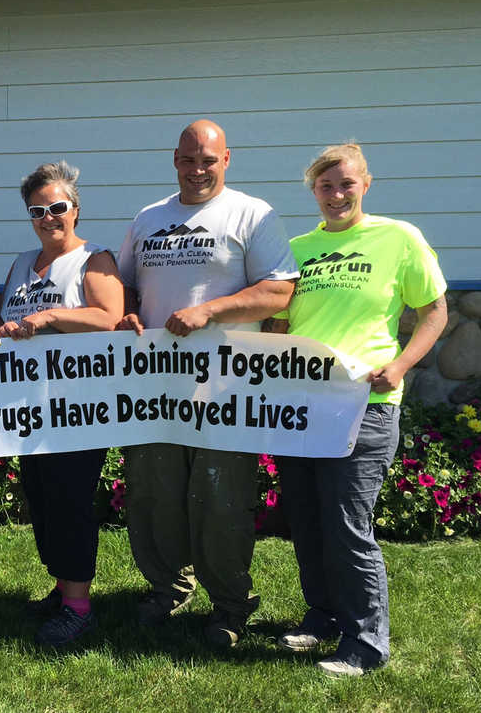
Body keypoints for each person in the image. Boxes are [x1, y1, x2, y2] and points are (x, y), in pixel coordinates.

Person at [116, 119, 299, 646]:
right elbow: (125, 285)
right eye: (187, 160)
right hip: (153, 387)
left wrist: (210, 311)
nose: (197, 170)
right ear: (174, 160)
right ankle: (167, 588)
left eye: (208, 160)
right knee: (153, 494)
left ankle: (230, 605)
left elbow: (279, 292)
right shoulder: (149, 218)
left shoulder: (252, 214)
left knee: (221, 500)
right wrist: (127, 315)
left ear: (227, 159)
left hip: (225, 388)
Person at [269, 143, 447, 677]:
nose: (337, 194)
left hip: (363, 404)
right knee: (307, 520)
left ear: (365, 184)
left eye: (346, 184)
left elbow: (434, 311)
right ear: (314, 191)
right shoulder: (296, 249)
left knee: (348, 524)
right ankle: (322, 617)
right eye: (326, 186)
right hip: (301, 405)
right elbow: (281, 323)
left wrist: (400, 366)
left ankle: (366, 642)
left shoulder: (399, 238)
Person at [0, 161, 124, 645]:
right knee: (44, 501)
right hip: (27, 407)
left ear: (75, 209)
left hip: (77, 408)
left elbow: (109, 317)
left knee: (70, 504)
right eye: (38, 210)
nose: (49, 217)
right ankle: (61, 588)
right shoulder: (22, 263)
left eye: (58, 207)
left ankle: (79, 606)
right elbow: (8, 319)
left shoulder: (95, 259)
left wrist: (49, 317)